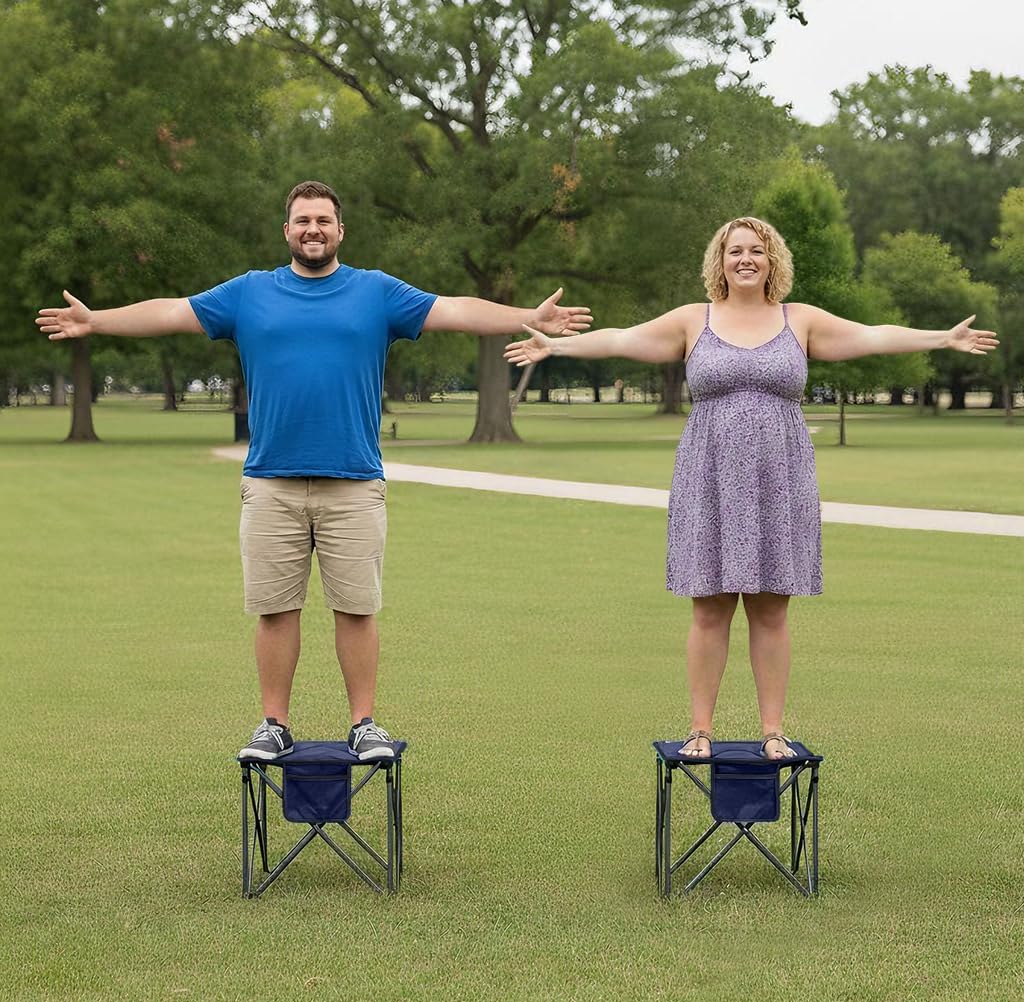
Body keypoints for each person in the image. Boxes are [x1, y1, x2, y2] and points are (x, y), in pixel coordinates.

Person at [38, 180, 593, 761]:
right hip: (271, 482)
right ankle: (274, 723)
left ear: (340, 230)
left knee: (356, 609)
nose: (313, 229)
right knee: (275, 610)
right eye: (303, 220)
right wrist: (97, 321)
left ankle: (364, 724)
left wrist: (528, 314)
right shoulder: (249, 294)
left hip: (353, 483)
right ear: (287, 230)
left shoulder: (377, 292)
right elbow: (172, 312)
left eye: (323, 220)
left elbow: (455, 309)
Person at [505, 216, 998, 759]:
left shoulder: (800, 320)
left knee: (771, 610)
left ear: (772, 261)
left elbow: (872, 335)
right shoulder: (694, 320)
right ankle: (700, 730)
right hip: (708, 477)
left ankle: (772, 732)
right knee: (709, 608)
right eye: (734, 250)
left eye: (756, 251)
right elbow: (624, 338)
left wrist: (943, 337)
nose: (745, 259)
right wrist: (555, 349)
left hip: (779, 480)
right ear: (719, 261)